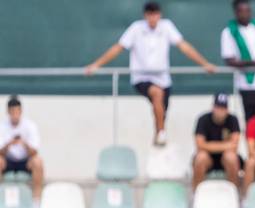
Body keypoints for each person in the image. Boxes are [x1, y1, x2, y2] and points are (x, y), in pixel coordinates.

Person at [85, 2, 215, 146]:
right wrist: (96, 65)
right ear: (145, 15)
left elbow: (184, 46)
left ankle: (157, 139)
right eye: (150, 14)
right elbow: (118, 47)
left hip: (164, 79)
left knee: (161, 111)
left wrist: (204, 63)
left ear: (160, 15)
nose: (153, 18)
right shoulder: (136, 28)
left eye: (155, 14)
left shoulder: (167, 26)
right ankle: (161, 133)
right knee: (157, 94)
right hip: (142, 78)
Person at [0, 96, 44, 208]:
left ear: (21, 111)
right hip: (8, 161)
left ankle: (36, 203)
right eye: (12, 112)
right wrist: (9, 144)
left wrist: (23, 143)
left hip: (25, 161)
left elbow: (34, 152)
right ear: (8, 112)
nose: (15, 115)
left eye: (17, 112)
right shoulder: (2, 126)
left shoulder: (30, 126)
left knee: (38, 162)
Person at [192, 93, 242, 190]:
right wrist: (226, 145)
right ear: (213, 107)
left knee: (231, 157)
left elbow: (235, 146)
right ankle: (196, 193)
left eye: (223, 108)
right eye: (218, 107)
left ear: (227, 109)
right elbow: (199, 145)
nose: (220, 111)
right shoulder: (203, 119)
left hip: (225, 159)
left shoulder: (233, 119)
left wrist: (209, 145)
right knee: (200, 157)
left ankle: (234, 193)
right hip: (208, 159)